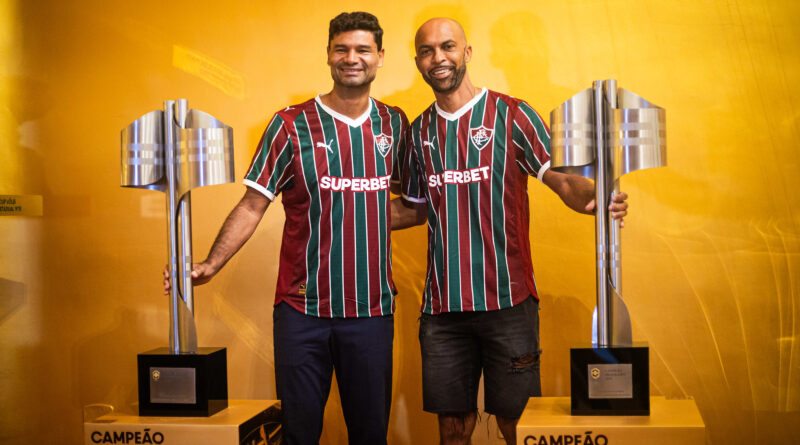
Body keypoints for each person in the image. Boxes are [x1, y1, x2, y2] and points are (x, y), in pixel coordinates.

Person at [165, 12, 408, 445]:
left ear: (380, 57)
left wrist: (362, 213)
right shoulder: (290, 124)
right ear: (329, 55)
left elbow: (415, 206)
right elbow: (253, 205)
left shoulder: (395, 125)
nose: (352, 58)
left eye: (362, 50)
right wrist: (209, 264)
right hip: (302, 312)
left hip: (371, 312)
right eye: (342, 49)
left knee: (371, 435)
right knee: (299, 434)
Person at [391, 18, 629, 445]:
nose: (438, 58)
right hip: (443, 311)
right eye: (427, 51)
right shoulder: (418, 132)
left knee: (514, 424)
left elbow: (561, 179)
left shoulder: (512, 115)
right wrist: (340, 212)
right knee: (452, 427)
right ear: (418, 62)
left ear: (466, 52)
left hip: (509, 304)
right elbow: (413, 209)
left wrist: (599, 197)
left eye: (447, 46)